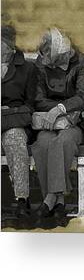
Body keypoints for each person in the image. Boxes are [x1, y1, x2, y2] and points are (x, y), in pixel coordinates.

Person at [31, 28, 84, 218]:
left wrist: (62, 110)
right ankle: (58, 200)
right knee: (42, 144)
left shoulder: (81, 61)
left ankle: (50, 197)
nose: (46, 60)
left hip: (77, 122)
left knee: (63, 142)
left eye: (50, 56)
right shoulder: (41, 63)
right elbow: (38, 98)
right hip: (50, 121)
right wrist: (58, 113)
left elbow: (83, 97)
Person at [1, 25, 36, 218]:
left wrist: (10, 111)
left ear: (8, 46)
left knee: (15, 140)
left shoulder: (27, 69)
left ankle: (22, 198)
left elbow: (32, 105)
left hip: (14, 122)